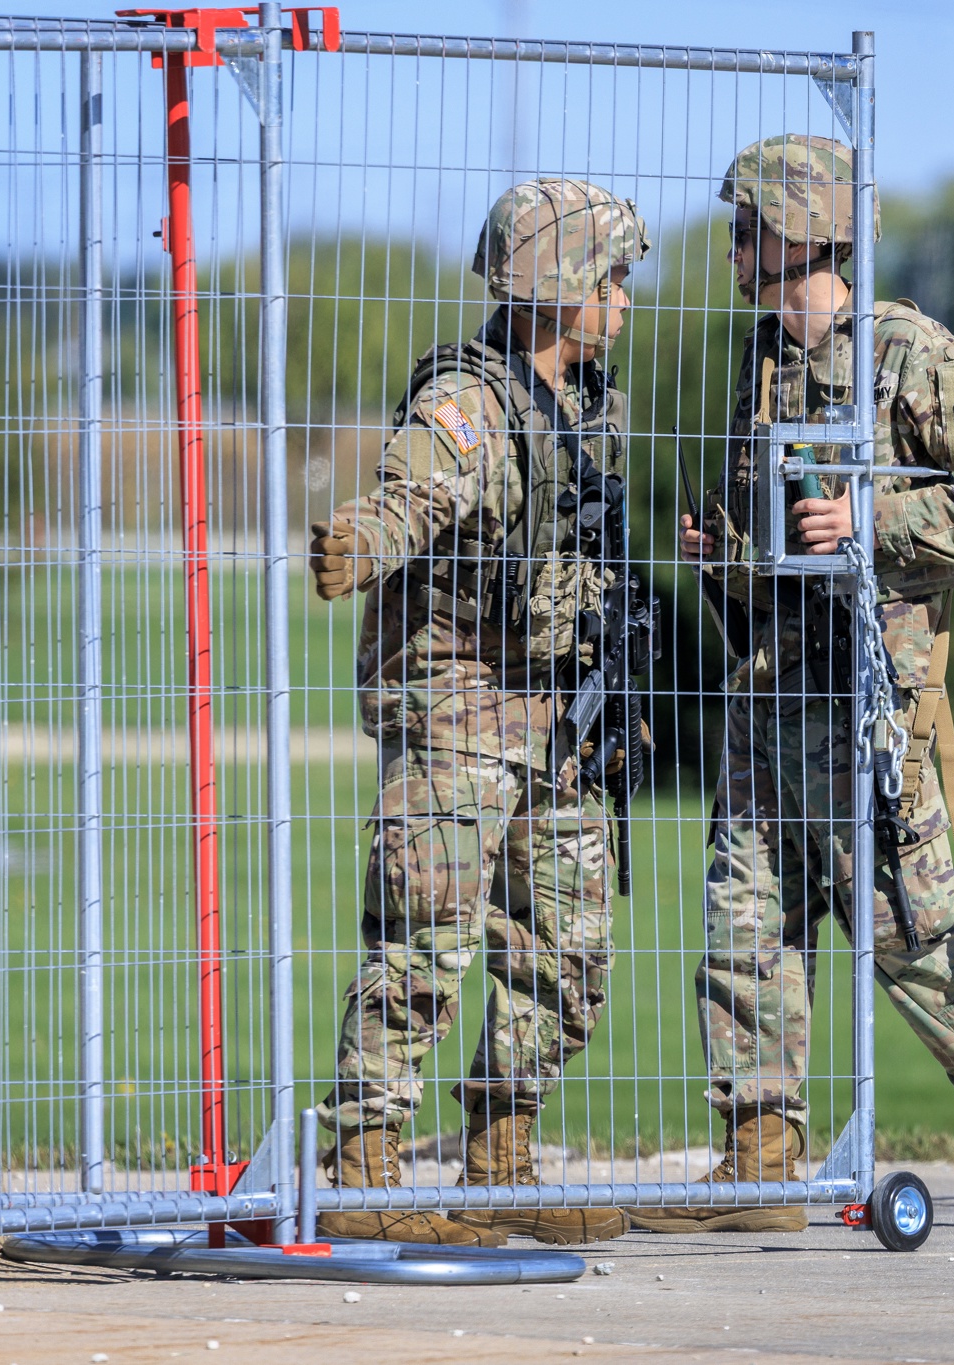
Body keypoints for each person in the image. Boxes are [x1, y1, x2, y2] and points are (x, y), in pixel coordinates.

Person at [637, 135, 954, 1235]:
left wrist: (870, 525)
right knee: (744, 930)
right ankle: (760, 1156)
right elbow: (773, 524)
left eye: (747, 228)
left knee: (906, 933)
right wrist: (725, 552)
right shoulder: (761, 357)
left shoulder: (906, 352)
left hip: (863, 710)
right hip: (765, 699)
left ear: (799, 233)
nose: (734, 248)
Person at [304, 178, 649, 1247]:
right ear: (554, 287)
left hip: (558, 712)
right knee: (425, 939)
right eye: (611, 279)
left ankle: (501, 1157)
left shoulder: (590, 404)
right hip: (456, 702)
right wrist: (357, 543)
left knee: (567, 944)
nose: (625, 301)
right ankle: (364, 1170)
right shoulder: (465, 407)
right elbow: (412, 500)